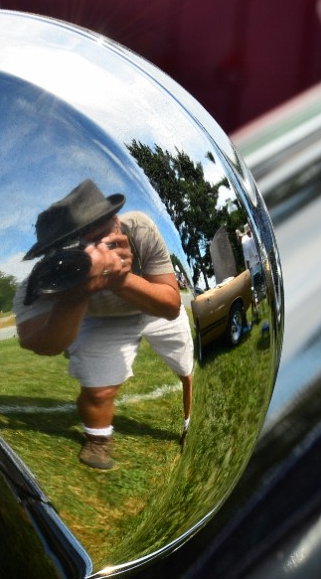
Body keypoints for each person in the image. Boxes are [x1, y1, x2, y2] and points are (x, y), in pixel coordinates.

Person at [15, 179, 194, 470]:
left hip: (150, 304)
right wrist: (74, 293)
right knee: (98, 391)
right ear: (52, 254)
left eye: (100, 237)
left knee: (185, 367)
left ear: (116, 221)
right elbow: (39, 343)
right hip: (98, 318)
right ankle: (98, 441)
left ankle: (188, 420)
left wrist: (120, 279)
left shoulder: (139, 229)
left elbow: (171, 306)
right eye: (78, 247)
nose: (94, 255)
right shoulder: (46, 278)